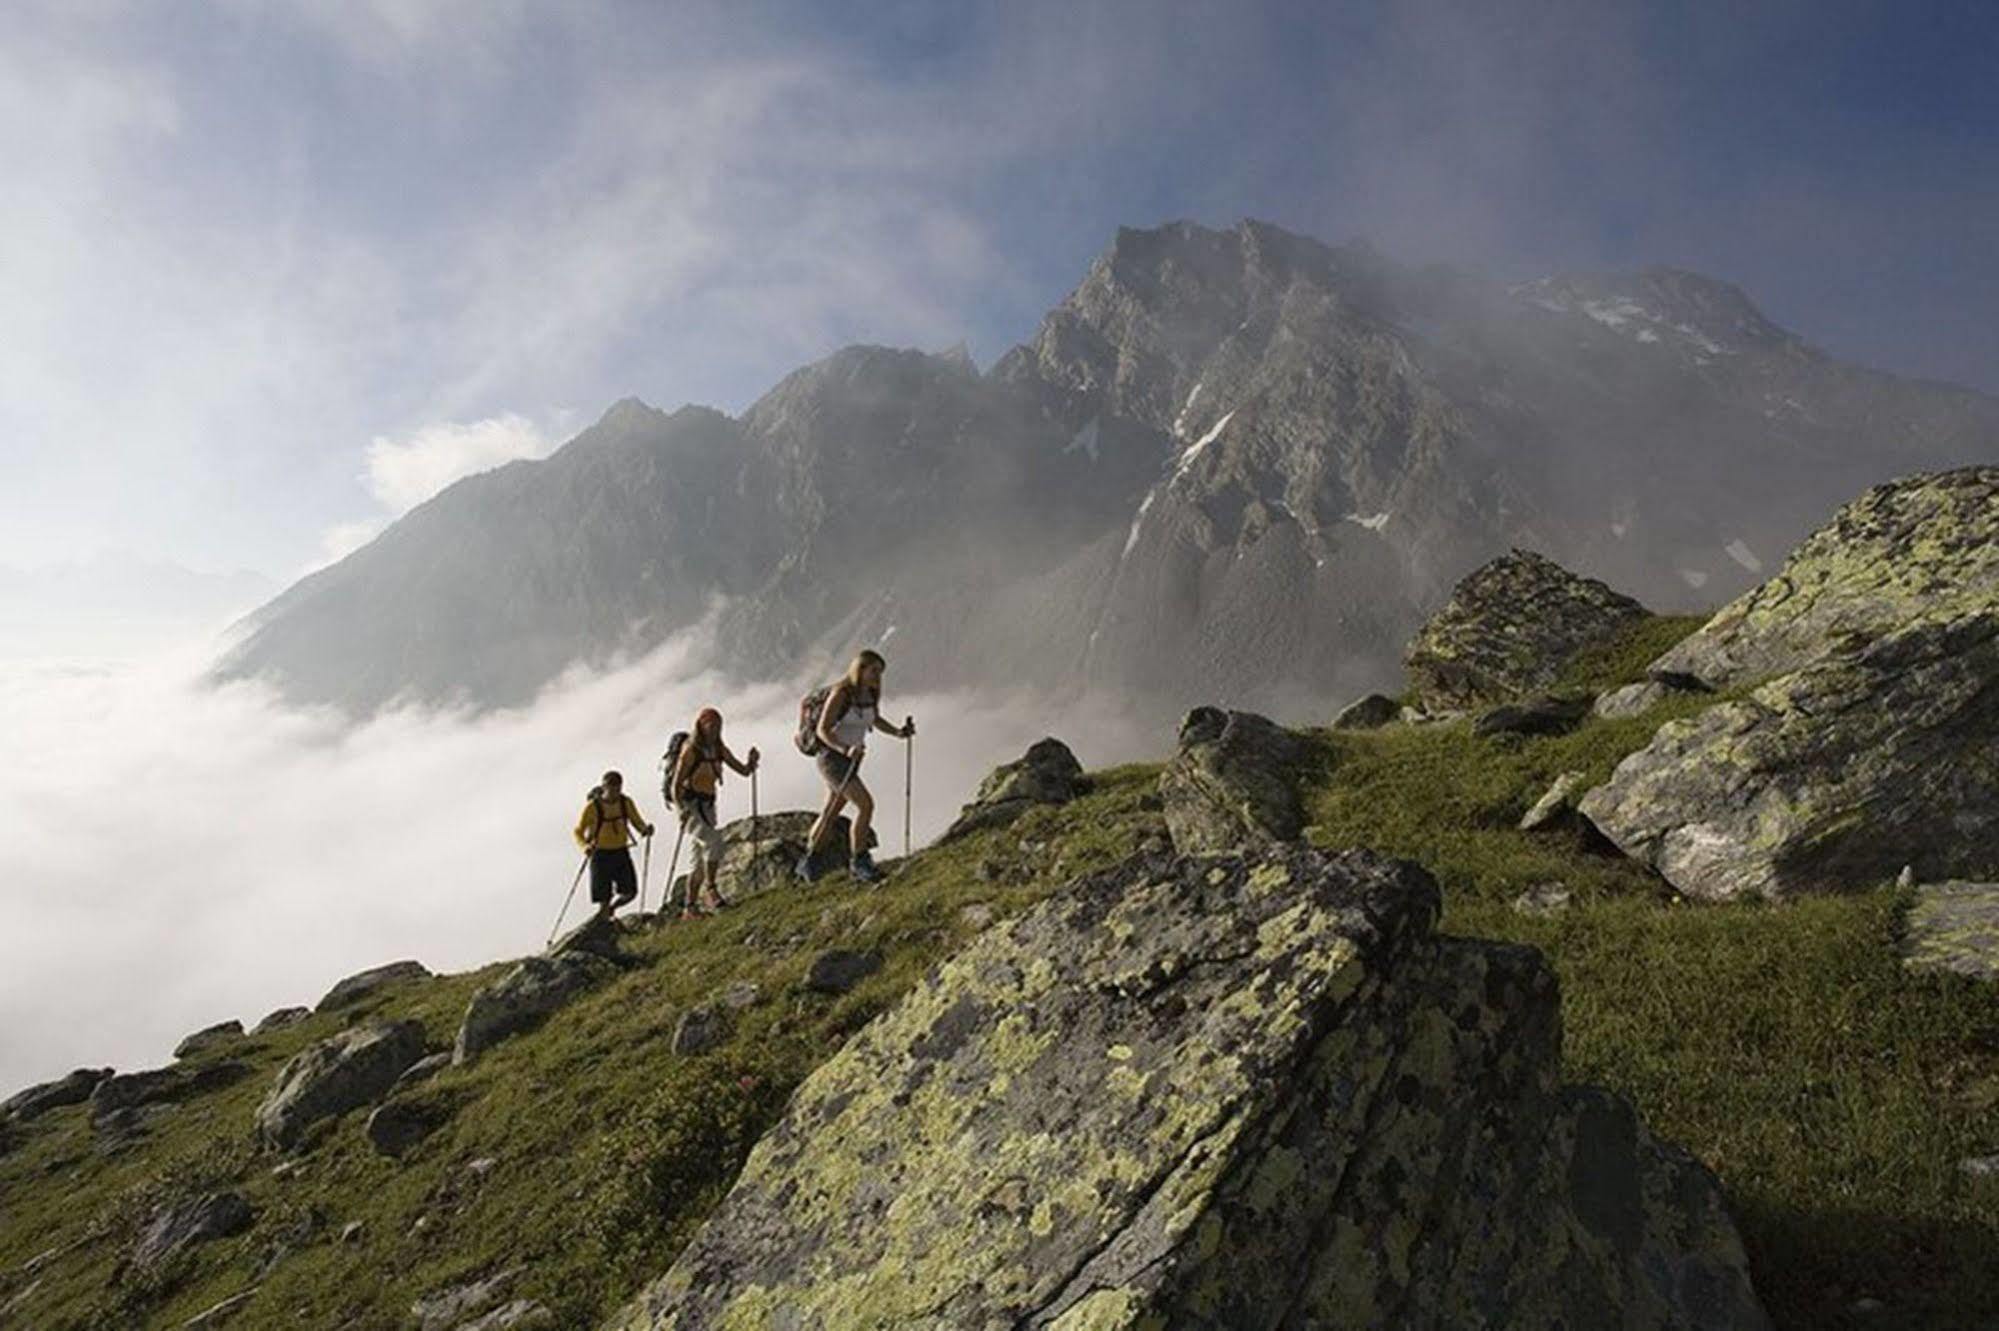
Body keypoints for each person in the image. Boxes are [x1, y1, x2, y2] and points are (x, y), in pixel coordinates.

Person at [798, 649, 914, 884]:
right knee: (866, 805)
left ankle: (808, 863)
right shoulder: (842, 693)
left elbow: (874, 720)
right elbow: (823, 729)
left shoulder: (869, 694)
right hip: (832, 759)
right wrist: (844, 749)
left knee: (831, 811)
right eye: (874, 671)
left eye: (880, 672)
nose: (877, 677)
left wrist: (899, 733)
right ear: (859, 669)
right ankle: (859, 862)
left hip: (851, 760)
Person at [668, 707, 759, 918]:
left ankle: (689, 908)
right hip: (690, 807)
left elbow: (743, 771)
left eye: (718, 725)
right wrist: (681, 810)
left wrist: (751, 762)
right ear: (701, 725)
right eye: (711, 724)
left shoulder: (718, 748)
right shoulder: (691, 750)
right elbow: (675, 785)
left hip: (708, 806)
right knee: (714, 842)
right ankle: (711, 890)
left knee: (699, 861)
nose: (715, 729)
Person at [573, 771, 655, 921]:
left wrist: (644, 830)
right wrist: (584, 846)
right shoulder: (592, 807)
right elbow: (578, 831)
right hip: (600, 854)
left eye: (618, 788)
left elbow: (636, 821)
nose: (615, 792)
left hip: (620, 852)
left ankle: (611, 910)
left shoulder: (626, 803)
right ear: (604, 787)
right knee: (604, 897)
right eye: (612, 788)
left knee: (630, 892)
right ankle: (604, 924)